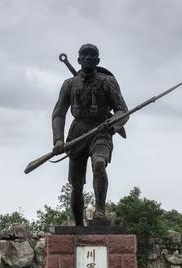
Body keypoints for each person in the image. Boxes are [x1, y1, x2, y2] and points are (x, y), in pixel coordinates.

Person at [51, 43, 128, 226]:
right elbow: (58, 114)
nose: (88, 58)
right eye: (84, 56)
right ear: (78, 60)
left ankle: (100, 211)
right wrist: (58, 140)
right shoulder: (69, 84)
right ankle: (77, 224)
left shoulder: (107, 82)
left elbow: (122, 110)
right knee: (76, 184)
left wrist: (112, 123)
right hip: (77, 134)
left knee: (99, 164)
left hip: (101, 131)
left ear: (98, 60)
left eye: (92, 56)